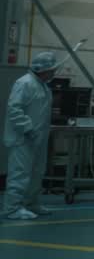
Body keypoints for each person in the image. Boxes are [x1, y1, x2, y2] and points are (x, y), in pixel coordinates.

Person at [3, 52, 57, 220]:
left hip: (38, 138)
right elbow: (14, 108)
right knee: (20, 173)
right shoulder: (24, 83)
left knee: (37, 172)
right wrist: (27, 127)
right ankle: (11, 209)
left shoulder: (43, 86)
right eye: (51, 69)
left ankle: (31, 203)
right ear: (41, 69)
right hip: (23, 138)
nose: (53, 73)